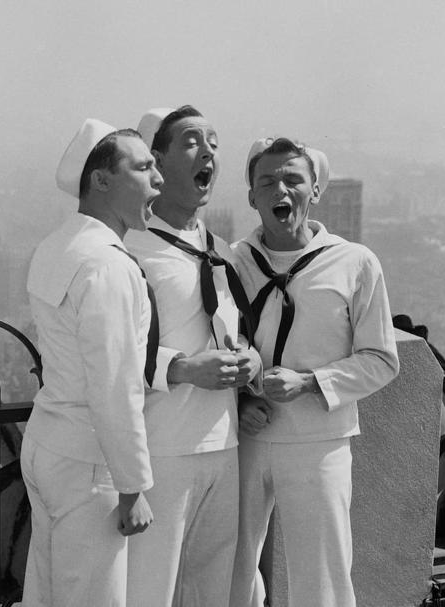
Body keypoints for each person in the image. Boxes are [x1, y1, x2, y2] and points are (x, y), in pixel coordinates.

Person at [229, 137, 400, 607]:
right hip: (244, 439)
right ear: (252, 197)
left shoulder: (355, 262)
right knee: (229, 567)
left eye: (292, 179)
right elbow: (217, 341)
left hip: (319, 441)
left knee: (322, 574)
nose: (280, 190)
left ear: (316, 190)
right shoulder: (231, 261)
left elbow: (382, 359)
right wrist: (241, 400)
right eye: (267, 181)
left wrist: (309, 383)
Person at [121, 106, 261, 607]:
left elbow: (235, 330)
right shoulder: (131, 251)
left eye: (214, 143)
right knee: (149, 590)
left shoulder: (220, 251)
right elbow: (114, 351)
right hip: (162, 447)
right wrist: (181, 369)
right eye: (191, 141)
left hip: (223, 444)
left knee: (213, 589)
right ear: (156, 161)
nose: (208, 152)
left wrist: (250, 362)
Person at [21, 118, 163, 607]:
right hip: (89, 461)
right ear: (101, 180)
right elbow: (115, 385)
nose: (158, 179)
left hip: (48, 444)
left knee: (47, 592)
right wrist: (133, 487)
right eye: (142, 168)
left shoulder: (57, 245)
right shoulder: (107, 264)